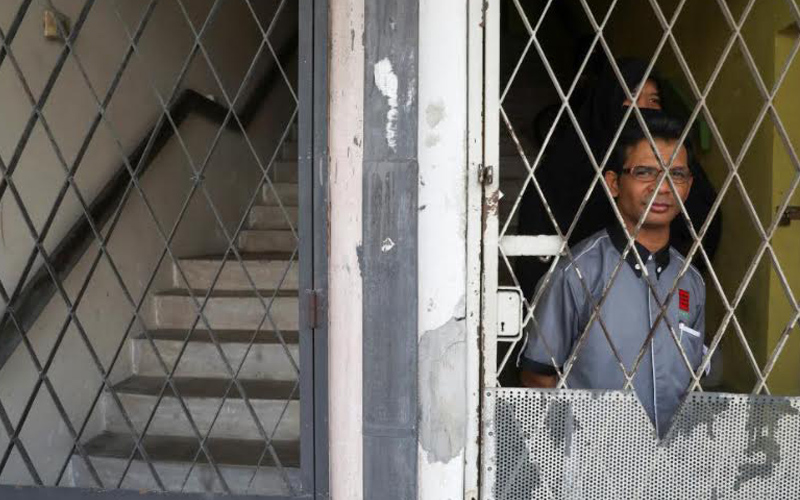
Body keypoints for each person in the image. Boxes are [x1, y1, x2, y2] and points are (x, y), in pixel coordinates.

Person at [519, 113, 706, 438]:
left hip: (670, 460)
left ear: (688, 187)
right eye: (645, 172)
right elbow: (538, 375)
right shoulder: (578, 272)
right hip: (592, 457)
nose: (662, 187)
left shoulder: (690, 280)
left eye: (676, 174)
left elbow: (693, 378)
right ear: (614, 183)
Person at [516, 58, 721, 302]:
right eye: (630, 98)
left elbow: (704, 228)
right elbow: (533, 266)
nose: (642, 111)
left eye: (653, 101)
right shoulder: (561, 173)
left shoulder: (677, 168)